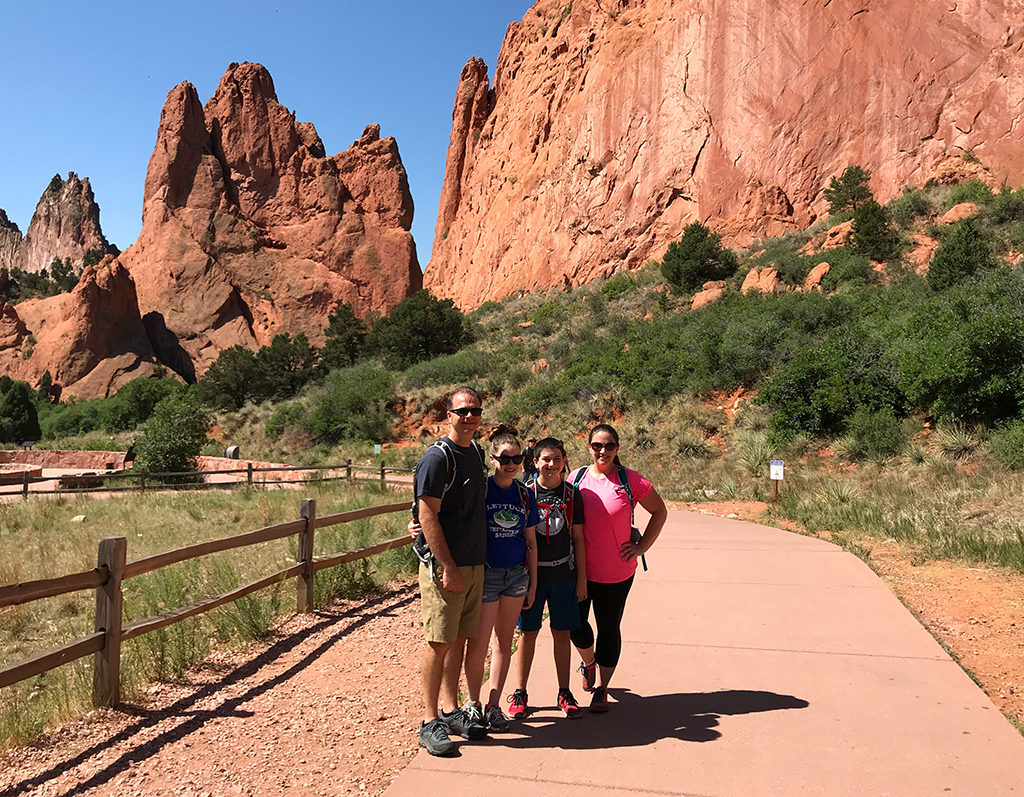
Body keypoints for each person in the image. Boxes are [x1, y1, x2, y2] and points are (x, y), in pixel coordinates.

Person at [569, 423, 668, 712]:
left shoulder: (630, 480)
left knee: (608, 628)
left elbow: (659, 511)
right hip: (580, 571)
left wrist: (642, 547)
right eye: (597, 445)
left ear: (617, 449)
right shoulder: (576, 478)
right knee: (575, 625)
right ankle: (588, 662)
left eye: (609, 445)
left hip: (617, 572)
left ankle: (601, 688)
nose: (603, 451)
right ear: (588, 447)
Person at [414, 387, 489, 756]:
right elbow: (426, 512)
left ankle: (449, 710)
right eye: (462, 411)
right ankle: (429, 722)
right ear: (448, 415)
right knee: (439, 642)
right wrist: (447, 566)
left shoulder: (475, 451)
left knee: (458, 640)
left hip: (475, 563)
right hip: (449, 567)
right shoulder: (437, 458)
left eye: (475, 410)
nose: (469, 416)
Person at [461, 425, 539, 730]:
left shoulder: (523, 494)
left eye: (516, 458)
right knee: (478, 644)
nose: (511, 464)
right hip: (487, 574)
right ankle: (472, 705)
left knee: (504, 642)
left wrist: (533, 582)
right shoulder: (481, 490)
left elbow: (530, 541)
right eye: (505, 458)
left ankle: (494, 705)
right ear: (492, 459)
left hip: (516, 576)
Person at [508, 437, 588, 720]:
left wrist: (582, 580)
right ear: (536, 462)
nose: (551, 465)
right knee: (527, 633)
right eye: (545, 459)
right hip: (531, 576)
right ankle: (520, 691)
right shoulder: (524, 492)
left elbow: (578, 538)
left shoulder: (571, 495)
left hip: (563, 574)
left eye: (556, 459)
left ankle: (564, 691)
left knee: (561, 633)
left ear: (564, 461)